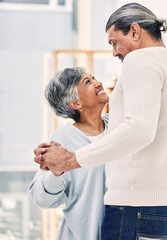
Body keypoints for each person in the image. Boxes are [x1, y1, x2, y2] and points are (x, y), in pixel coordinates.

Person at [34, 3, 167, 239]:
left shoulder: (140, 60)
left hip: (140, 207)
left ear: (135, 31)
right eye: (87, 82)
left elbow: (139, 129)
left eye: (114, 42)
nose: (114, 52)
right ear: (74, 103)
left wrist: (69, 160)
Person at [29, 67, 109, 240]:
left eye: (93, 77)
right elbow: (40, 197)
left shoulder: (118, 126)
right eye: (88, 82)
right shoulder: (64, 139)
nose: (99, 83)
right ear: (76, 103)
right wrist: (57, 172)